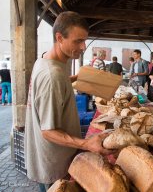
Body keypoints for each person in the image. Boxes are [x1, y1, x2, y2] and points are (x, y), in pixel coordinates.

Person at [24, 12, 113, 192]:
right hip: (54, 163)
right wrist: (85, 144)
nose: (83, 46)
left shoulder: (46, 61)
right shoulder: (52, 76)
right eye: (78, 41)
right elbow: (48, 132)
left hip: (51, 155)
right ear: (59, 37)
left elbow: (58, 82)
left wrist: (77, 78)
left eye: (84, 40)